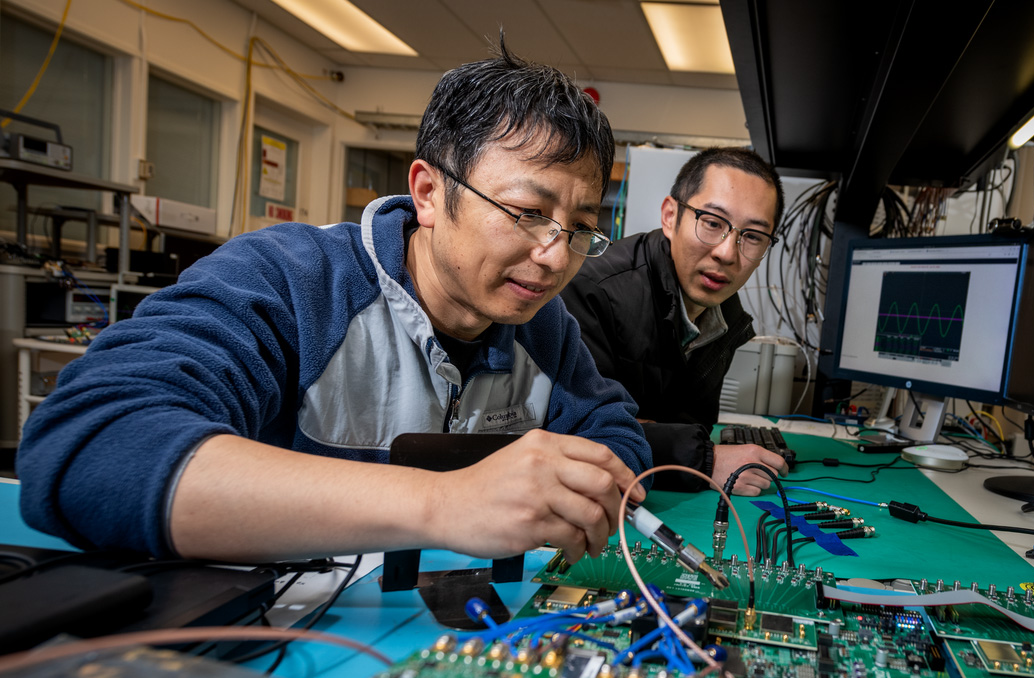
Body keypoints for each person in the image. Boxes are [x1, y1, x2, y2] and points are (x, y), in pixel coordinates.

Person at [16, 42, 650, 566]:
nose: (553, 256)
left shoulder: (539, 322)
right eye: (527, 213)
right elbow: (90, 445)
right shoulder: (291, 280)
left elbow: (611, 429)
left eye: (577, 228)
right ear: (429, 193)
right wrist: (444, 502)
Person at [560, 147, 788, 495]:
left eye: (753, 236)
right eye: (712, 223)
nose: (727, 253)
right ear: (670, 216)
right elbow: (581, 432)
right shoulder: (594, 291)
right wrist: (706, 460)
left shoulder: (723, 310)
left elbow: (687, 422)